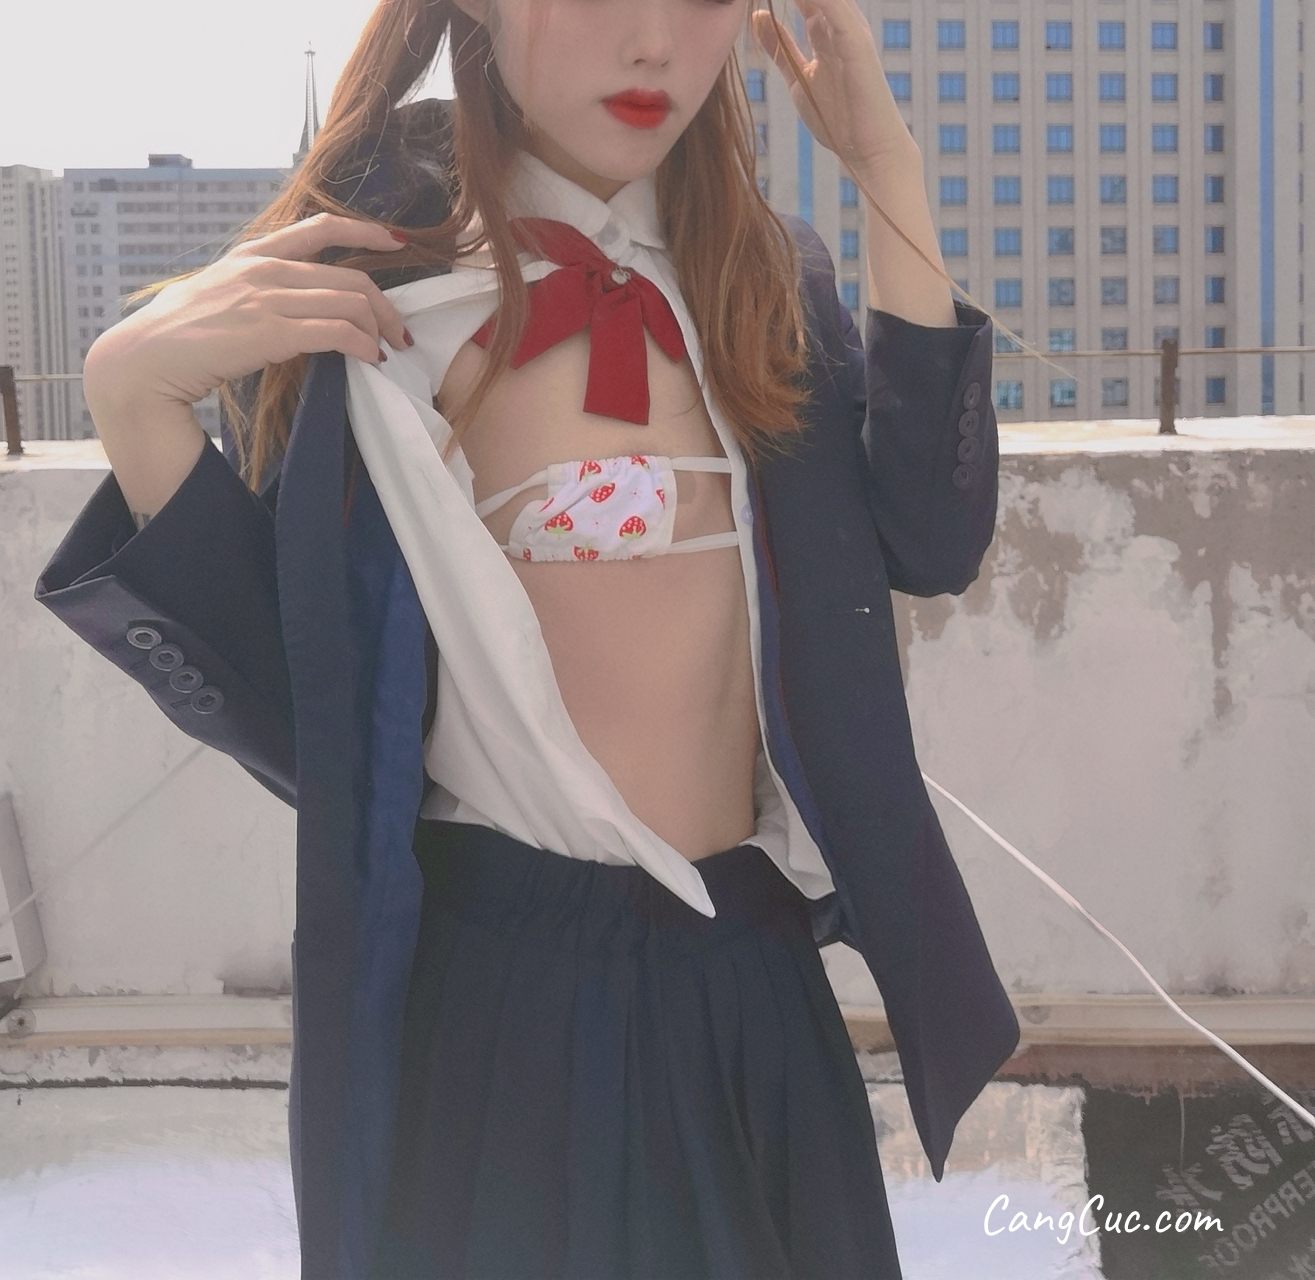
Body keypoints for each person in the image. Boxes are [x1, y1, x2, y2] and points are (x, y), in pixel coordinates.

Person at [37, 0, 1020, 1275]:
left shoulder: (764, 281)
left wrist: (884, 164)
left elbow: (931, 539)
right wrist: (133, 400)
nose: (655, 44)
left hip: (751, 977)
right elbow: (313, 727)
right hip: (500, 993)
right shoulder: (374, 315)